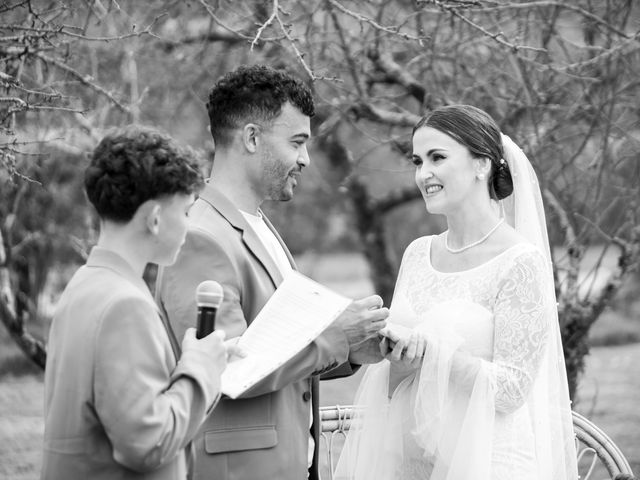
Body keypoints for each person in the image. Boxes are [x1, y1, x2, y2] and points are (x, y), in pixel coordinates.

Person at [155, 64, 389, 480]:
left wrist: (352, 350)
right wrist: (336, 336)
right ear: (251, 138)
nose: (305, 158)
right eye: (297, 142)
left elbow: (276, 348)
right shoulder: (200, 237)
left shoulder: (259, 225)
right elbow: (228, 367)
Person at [335, 105, 579, 480]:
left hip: (486, 461)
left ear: (482, 164)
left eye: (437, 157)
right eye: (418, 161)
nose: (423, 174)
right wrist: (397, 353)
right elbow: (399, 379)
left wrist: (434, 351)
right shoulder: (418, 254)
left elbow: (513, 390)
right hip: (409, 459)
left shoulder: (519, 262)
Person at [41, 125, 235, 480]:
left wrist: (199, 361)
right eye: (187, 211)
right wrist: (200, 369)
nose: (189, 225)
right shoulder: (124, 305)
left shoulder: (85, 284)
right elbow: (147, 443)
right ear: (155, 219)